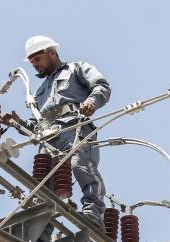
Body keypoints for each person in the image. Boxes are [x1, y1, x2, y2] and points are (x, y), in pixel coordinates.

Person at [25, 35, 111, 225]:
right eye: (31, 62)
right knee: (44, 179)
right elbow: (36, 120)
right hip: (48, 135)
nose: (34, 65)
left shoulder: (76, 69)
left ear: (52, 53)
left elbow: (101, 86)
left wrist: (91, 101)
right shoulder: (40, 91)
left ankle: (93, 213)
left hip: (74, 127)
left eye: (37, 59)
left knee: (80, 166)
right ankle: (42, 229)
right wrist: (18, 123)